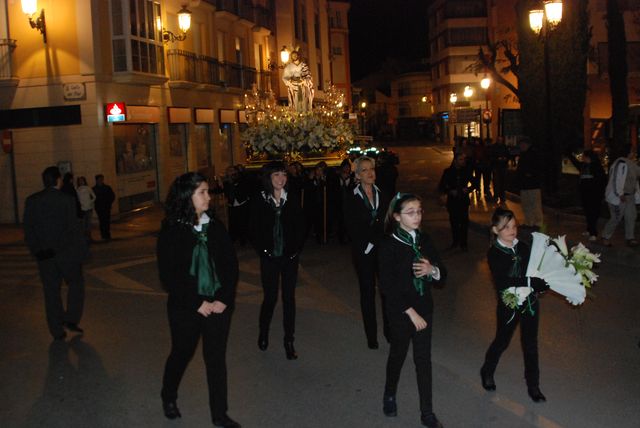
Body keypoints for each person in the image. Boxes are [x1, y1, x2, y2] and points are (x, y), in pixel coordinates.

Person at [157, 172, 241, 428]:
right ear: (187, 197)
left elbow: (230, 267)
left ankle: (219, 414)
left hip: (218, 306)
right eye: (202, 192)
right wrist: (197, 302)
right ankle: (168, 395)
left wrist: (223, 299)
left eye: (207, 191)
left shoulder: (215, 227)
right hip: (186, 307)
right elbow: (169, 276)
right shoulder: (172, 231)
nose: (208, 197)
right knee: (181, 353)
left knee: (216, 360)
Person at [378, 193, 447, 428]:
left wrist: (433, 270)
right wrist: (410, 312)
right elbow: (388, 286)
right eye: (410, 212)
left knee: (423, 360)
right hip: (400, 312)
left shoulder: (424, 240)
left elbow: (442, 274)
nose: (416, 216)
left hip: (424, 308)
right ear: (397, 216)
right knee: (398, 354)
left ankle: (427, 412)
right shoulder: (389, 244)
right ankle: (389, 394)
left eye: (419, 211)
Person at [480, 208, 550, 403]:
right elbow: (503, 281)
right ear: (495, 230)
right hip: (509, 304)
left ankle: (533, 384)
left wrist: (541, 284)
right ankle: (487, 370)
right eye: (505, 227)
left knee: (530, 343)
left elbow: (535, 270)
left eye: (514, 226)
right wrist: (530, 281)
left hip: (530, 302)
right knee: (502, 341)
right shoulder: (494, 253)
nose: (511, 230)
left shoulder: (524, 247)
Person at [248, 161, 306, 360]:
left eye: (283, 175)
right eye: (276, 176)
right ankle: (263, 332)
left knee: (289, 298)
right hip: (270, 257)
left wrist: (296, 250)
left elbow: (302, 226)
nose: (281, 179)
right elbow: (254, 229)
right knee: (270, 297)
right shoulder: (260, 200)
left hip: (289, 257)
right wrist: (264, 251)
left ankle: (289, 340)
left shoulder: (292, 199)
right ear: (268, 179)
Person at [23, 166, 89, 340]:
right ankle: (71, 319)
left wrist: (37, 251)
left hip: (45, 256)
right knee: (76, 285)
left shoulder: (32, 200)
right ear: (58, 180)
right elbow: (74, 229)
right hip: (67, 254)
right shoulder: (66, 200)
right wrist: (83, 252)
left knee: (51, 292)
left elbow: (28, 230)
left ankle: (56, 330)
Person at [344, 156, 390, 349]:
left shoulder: (383, 193)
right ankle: (371, 335)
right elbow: (352, 226)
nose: (370, 173)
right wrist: (370, 240)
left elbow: (389, 222)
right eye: (364, 170)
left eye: (372, 169)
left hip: (383, 251)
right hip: (363, 251)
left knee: (387, 292)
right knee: (368, 292)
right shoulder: (351, 196)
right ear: (357, 175)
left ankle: (390, 331)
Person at [602, 147, 640, 247]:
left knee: (631, 216)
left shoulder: (630, 164)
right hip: (620, 196)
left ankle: (630, 237)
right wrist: (619, 193)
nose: (634, 153)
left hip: (629, 195)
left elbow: (634, 180)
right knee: (616, 218)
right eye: (632, 151)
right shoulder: (621, 163)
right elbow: (616, 179)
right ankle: (606, 236)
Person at [438, 152, 476, 251]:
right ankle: (455, 242)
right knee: (454, 222)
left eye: (464, 160)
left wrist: (468, 189)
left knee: (464, 222)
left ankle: (464, 244)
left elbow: (475, 183)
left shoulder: (466, 171)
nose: (463, 162)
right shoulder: (448, 172)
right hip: (453, 201)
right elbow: (442, 186)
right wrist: (450, 191)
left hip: (463, 199)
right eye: (461, 160)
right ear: (455, 161)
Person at [567, 149, 606, 241]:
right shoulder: (584, 166)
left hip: (594, 194)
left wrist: (598, 192)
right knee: (588, 212)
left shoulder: (596, 166)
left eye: (584, 156)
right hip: (585, 193)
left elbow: (601, 181)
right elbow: (576, 163)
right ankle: (589, 229)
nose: (582, 158)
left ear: (588, 157)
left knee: (593, 213)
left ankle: (593, 233)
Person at [516, 138, 543, 229]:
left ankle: (537, 222)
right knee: (526, 204)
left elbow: (538, 168)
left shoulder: (534, 154)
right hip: (524, 184)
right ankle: (529, 222)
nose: (521, 146)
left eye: (522, 144)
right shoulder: (523, 155)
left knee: (534, 203)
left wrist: (530, 174)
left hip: (533, 184)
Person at [221, 166, 251, 246]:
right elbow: (225, 191)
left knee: (242, 222)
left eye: (233, 170)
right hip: (232, 204)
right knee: (233, 222)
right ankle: (233, 238)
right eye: (229, 170)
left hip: (241, 203)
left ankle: (243, 239)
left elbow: (244, 187)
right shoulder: (226, 182)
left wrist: (234, 180)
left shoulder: (240, 179)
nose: (231, 172)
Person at [93, 174, 115, 241]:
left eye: (101, 179)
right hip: (99, 208)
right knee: (102, 221)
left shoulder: (107, 187)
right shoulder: (94, 189)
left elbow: (112, 196)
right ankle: (103, 235)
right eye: (99, 179)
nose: (100, 181)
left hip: (106, 207)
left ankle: (107, 234)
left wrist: (109, 203)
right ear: (96, 180)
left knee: (107, 221)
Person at [489, 137, 510, 205]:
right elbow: (491, 156)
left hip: (503, 166)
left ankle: (502, 196)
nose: (500, 141)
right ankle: (496, 196)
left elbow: (508, 155)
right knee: (496, 182)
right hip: (496, 166)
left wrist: (505, 159)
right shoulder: (494, 147)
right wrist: (497, 159)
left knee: (503, 182)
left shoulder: (504, 147)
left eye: (501, 140)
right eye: (499, 140)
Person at [76, 176, 96, 241]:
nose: (81, 182)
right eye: (80, 181)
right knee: (83, 224)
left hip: (89, 208)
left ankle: (89, 237)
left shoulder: (88, 188)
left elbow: (94, 196)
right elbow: (77, 199)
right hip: (82, 209)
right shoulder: (77, 189)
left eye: (82, 180)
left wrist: (90, 202)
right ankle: (85, 238)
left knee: (89, 224)